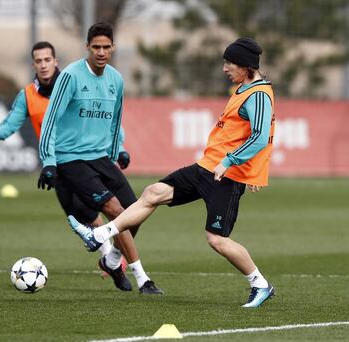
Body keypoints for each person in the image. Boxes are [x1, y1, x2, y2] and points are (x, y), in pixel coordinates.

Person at [69, 37, 275, 307]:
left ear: (246, 66)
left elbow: (261, 137)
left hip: (225, 176)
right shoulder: (243, 89)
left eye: (229, 63)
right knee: (153, 193)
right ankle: (99, 235)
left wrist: (233, 163)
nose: (225, 69)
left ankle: (260, 284)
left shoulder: (258, 94)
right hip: (206, 167)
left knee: (217, 240)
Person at [38, 23, 163, 294]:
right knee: (117, 212)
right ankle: (144, 279)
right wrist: (48, 161)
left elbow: (115, 120)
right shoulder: (71, 76)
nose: (102, 52)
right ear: (87, 48)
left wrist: (119, 150)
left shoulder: (116, 79)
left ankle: (111, 260)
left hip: (101, 158)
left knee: (136, 213)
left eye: (106, 47)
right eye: (96, 47)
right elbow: (50, 120)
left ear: (113, 47)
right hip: (71, 160)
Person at [0, 41, 129, 272]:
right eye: (38, 61)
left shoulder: (75, 82)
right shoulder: (28, 95)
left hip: (84, 159)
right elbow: (13, 120)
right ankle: (109, 260)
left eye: (47, 60)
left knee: (101, 210)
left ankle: (113, 262)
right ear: (33, 65)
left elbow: (105, 117)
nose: (43, 65)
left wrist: (119, 147)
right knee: (80, 215)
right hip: (56, 164)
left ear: (55, 61)